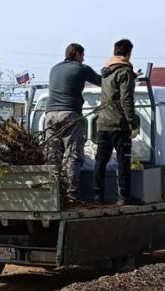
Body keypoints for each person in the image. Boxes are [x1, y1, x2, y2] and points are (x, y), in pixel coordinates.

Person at [44, 43, 102, 202]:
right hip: (69, 113)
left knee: (52, 155)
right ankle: (72, 194)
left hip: (50, 115)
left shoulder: (54, 68)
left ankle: (52, 192)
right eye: (82, 55)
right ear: (76, 54)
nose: (83, 59)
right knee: (72, 154)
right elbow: (101, 81)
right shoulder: (81, 69)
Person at [94, 39, 139, 206]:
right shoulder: (124, 72)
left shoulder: (106, 72)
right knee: (123, 160)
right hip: (119, 123)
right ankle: (124, 196)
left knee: (101, 160)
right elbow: (126, 100)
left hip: (102, 122)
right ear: (128, 54)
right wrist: (132, 124)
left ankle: (98, 195)